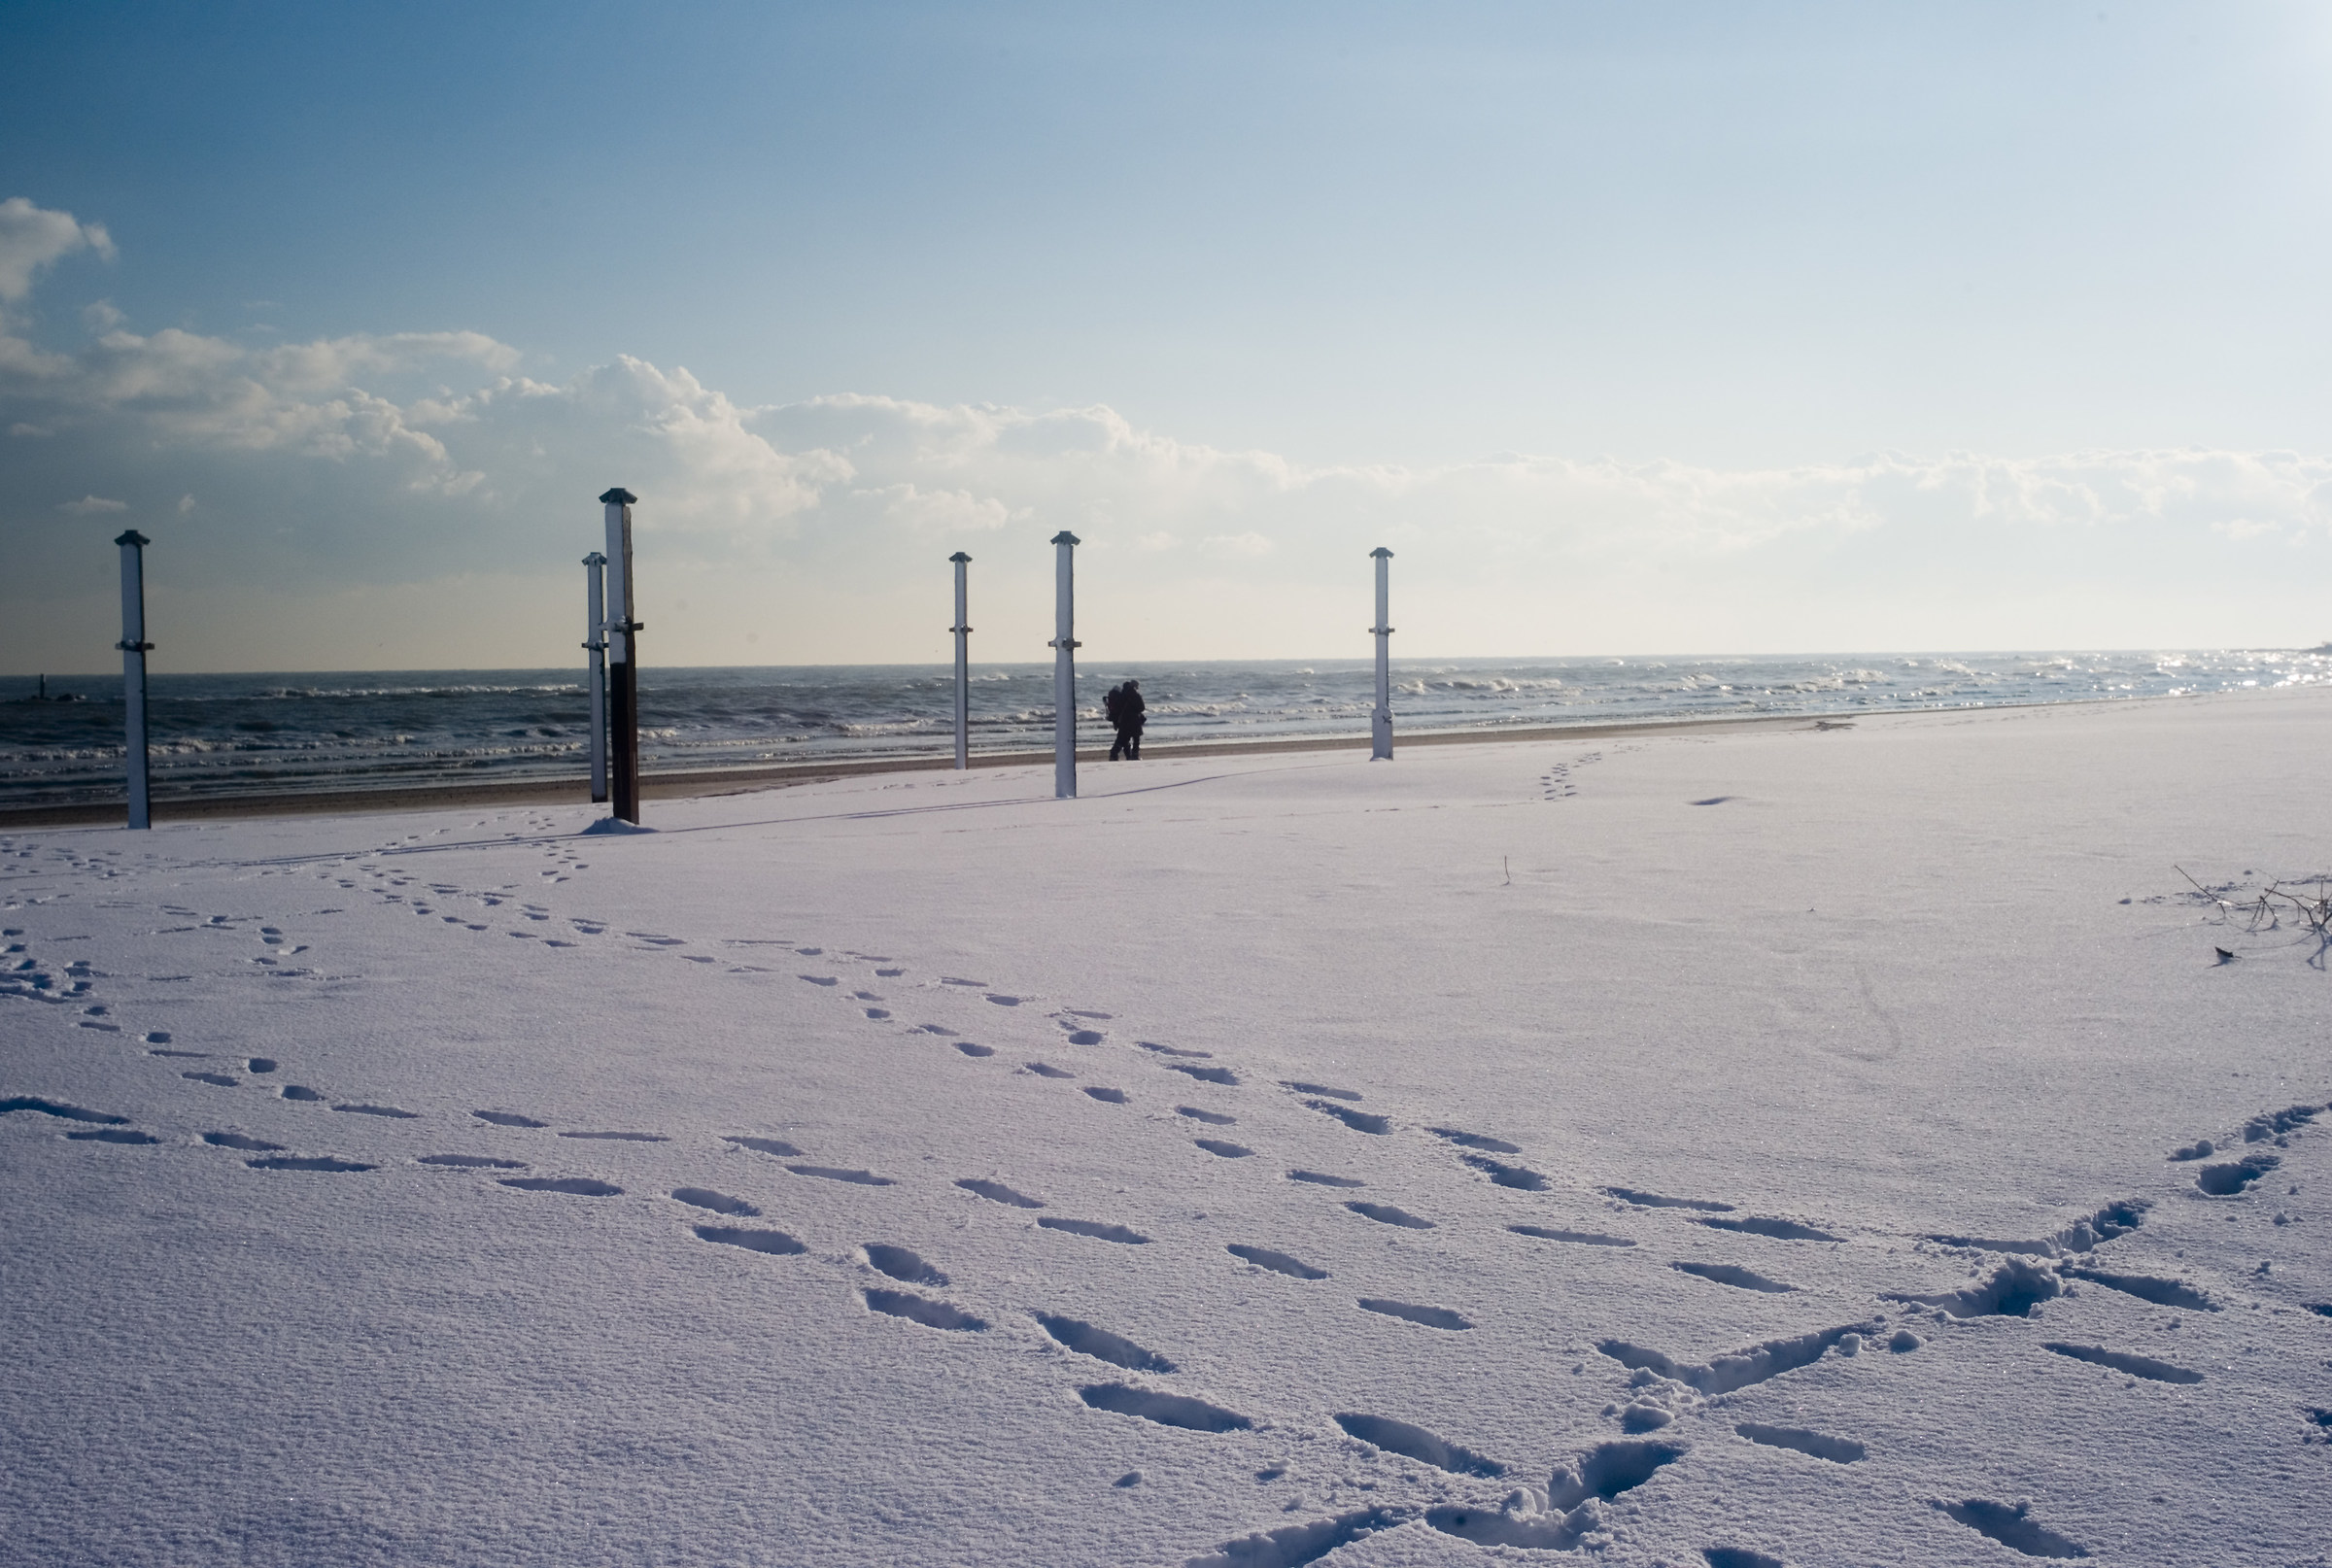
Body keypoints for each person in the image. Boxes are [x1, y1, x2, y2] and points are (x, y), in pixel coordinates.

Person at [1109, 678, 1146, 761]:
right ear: (1135, 687)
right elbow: (1142, 708)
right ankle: (1134, 755)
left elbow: (1118, 708)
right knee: (1136, 739)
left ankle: (1114, 754)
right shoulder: (1135, 695)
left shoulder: (1121, 694)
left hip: (1123, 721)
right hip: (1134, 720)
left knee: (1122, 739)